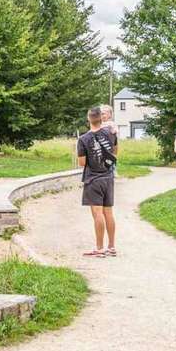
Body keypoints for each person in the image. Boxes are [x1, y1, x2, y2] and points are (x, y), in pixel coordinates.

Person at [78, 106, 118, 258]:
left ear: (88, 119)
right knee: (109, 213)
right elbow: (115, 154)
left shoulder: (83, 139)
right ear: (101, 118)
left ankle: (100, 248)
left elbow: (82, 163)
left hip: (93, 179)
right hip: (108, 177)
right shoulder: (111, 133)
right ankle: (112, 246)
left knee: (97, 214)